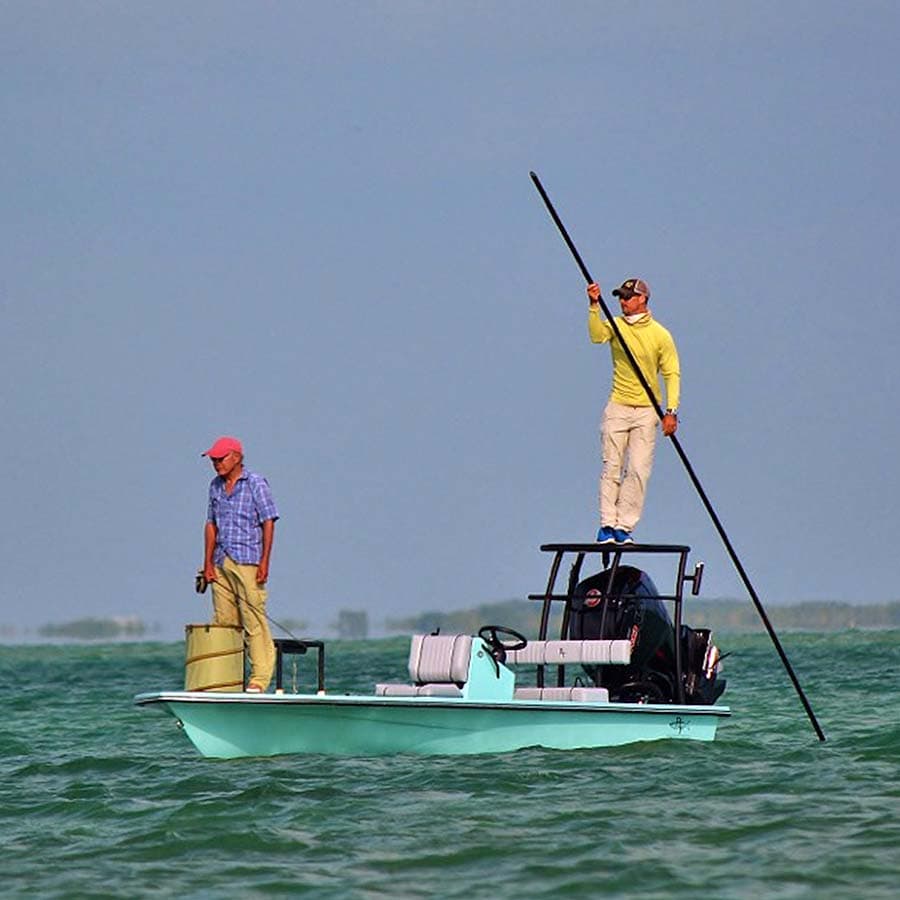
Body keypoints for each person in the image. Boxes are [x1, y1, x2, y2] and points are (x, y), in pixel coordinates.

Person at [587, 277, 680, 544]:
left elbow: (671, 373)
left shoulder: (660, 334)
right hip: (618, 406)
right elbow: (596, 336)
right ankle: (607, 524)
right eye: (620, 297)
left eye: (628, 297)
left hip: (647, 410)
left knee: (638, 469)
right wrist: (594, 306)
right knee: (612, 466)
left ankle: (624, 527)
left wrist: (671, 411)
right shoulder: (615, 326)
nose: (623, 302)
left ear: (642, 299)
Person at [201, 436, 279, 692]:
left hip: (248, 559)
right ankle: (227, 679)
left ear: (236, 457)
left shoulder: (255, 483)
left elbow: (269, 521)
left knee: (253, 619)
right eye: (213, 460)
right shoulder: (215, 486)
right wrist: (208, 563)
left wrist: (265, 561)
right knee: (224, 621)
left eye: (220, 459)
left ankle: (260, 677)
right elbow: (211, 524)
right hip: (221, 560)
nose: (216, 464)